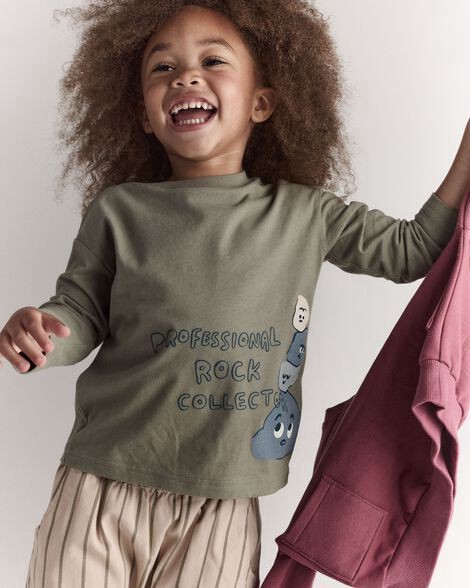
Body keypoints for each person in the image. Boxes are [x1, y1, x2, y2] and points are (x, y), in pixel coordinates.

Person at [1, 1, 469, 587]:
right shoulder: (119, 211)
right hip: (101, 483)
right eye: (162, 68)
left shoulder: (306, 215)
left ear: (261, 103)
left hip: (223, 505)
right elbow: (81, 312)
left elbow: (412, 250)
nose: (185, 78)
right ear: (144, 115)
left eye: (212, 61)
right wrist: (42, 332)